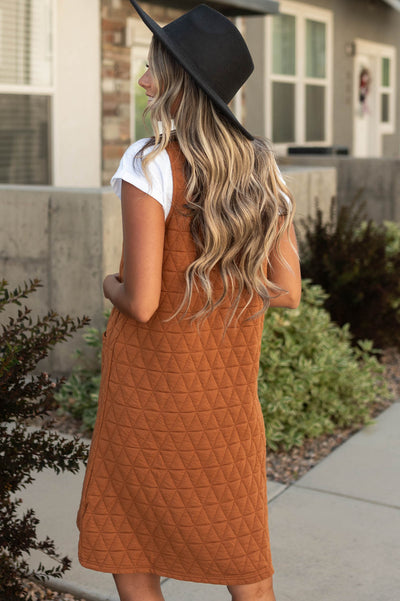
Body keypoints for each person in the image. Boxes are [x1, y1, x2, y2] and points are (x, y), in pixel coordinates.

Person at [76, 2, 301, 601]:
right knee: (243, 553)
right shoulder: (262, 169)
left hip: (149, 396)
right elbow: (288, 293)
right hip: (225, 402)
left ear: (179, 82)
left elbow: (142, 302)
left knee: (132, 538)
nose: (145, 80)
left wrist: (107, 282)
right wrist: (222, 275)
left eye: (154, 69)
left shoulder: (148, 162)